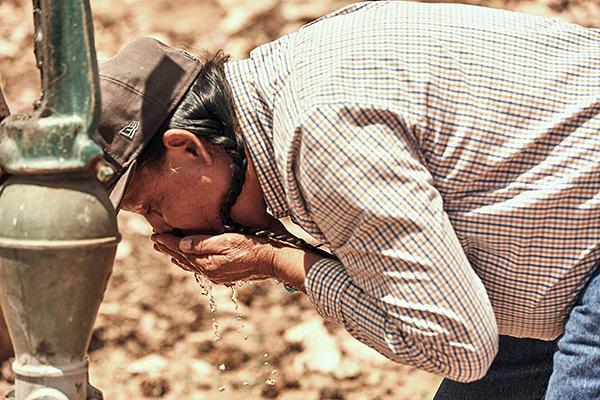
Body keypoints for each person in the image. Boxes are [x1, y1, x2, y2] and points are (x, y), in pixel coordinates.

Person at [94, 2, 600, 399]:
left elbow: (454, 346)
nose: (162, 233)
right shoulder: (292, 76)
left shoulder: (323, 139)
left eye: (152, 206)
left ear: (189, 149)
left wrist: (283, 261)